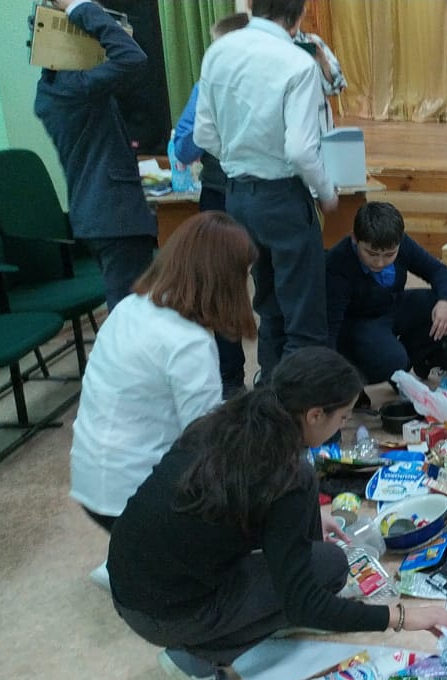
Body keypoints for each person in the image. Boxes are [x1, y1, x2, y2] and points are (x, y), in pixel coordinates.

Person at [108, 347, 447, 680]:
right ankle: (196, 655)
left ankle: (218, 627)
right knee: (330, 568)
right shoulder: (288, 477)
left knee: (316, 561)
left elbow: (223, 507)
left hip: (128, 580)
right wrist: (401, 616)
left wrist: (303, 517)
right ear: (315, 415)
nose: (343, 426)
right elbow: (304, 603)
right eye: (342, 418)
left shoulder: (228, 419)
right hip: (164, 613)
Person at [71, 212, 257, 589]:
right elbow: (206, 445)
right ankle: (143, 555)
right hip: (130, 498)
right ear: (225, 280)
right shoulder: (189, 343)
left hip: (90, 486)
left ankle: (130, 552)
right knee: (241, 515)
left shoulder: (130, 307)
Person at [195, 0, 337, 383]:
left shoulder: (218, 52)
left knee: (269, 305)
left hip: (236, 196)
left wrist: (238, 161)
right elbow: (301, 150)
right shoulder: (297, 62)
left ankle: (269, 398)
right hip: (284, 197)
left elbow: (204, 134)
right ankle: (300, 410)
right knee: (304, 317)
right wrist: (326, 191)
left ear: (252, 6)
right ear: (299, 14)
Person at [34, 0, 157, 310]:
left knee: (131, 311)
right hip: (115, 218)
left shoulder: (53, 88)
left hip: (100, 215)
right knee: (130, 315)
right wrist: (81, 8)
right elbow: (132, 57)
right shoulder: (75, 88)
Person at [172, 12, 252, 398]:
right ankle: (234, 378)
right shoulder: (205, 88)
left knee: (268, 288)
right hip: (226, 195)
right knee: (225, 287)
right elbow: (183, 148)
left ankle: (264, 379)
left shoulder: (274, 80)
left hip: (253, 194)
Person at [326, 202, 447, 386]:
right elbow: (331, 324)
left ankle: (417, 358)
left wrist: (445, 300)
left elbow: (437, 270)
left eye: (389, 255)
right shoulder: (337, 262)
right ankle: (393, 368)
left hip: (393, 305)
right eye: (372, 254)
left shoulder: (401, 243)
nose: (380, 262)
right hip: (361, 322)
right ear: (355, 238)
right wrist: (333, 376)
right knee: (393, 361)